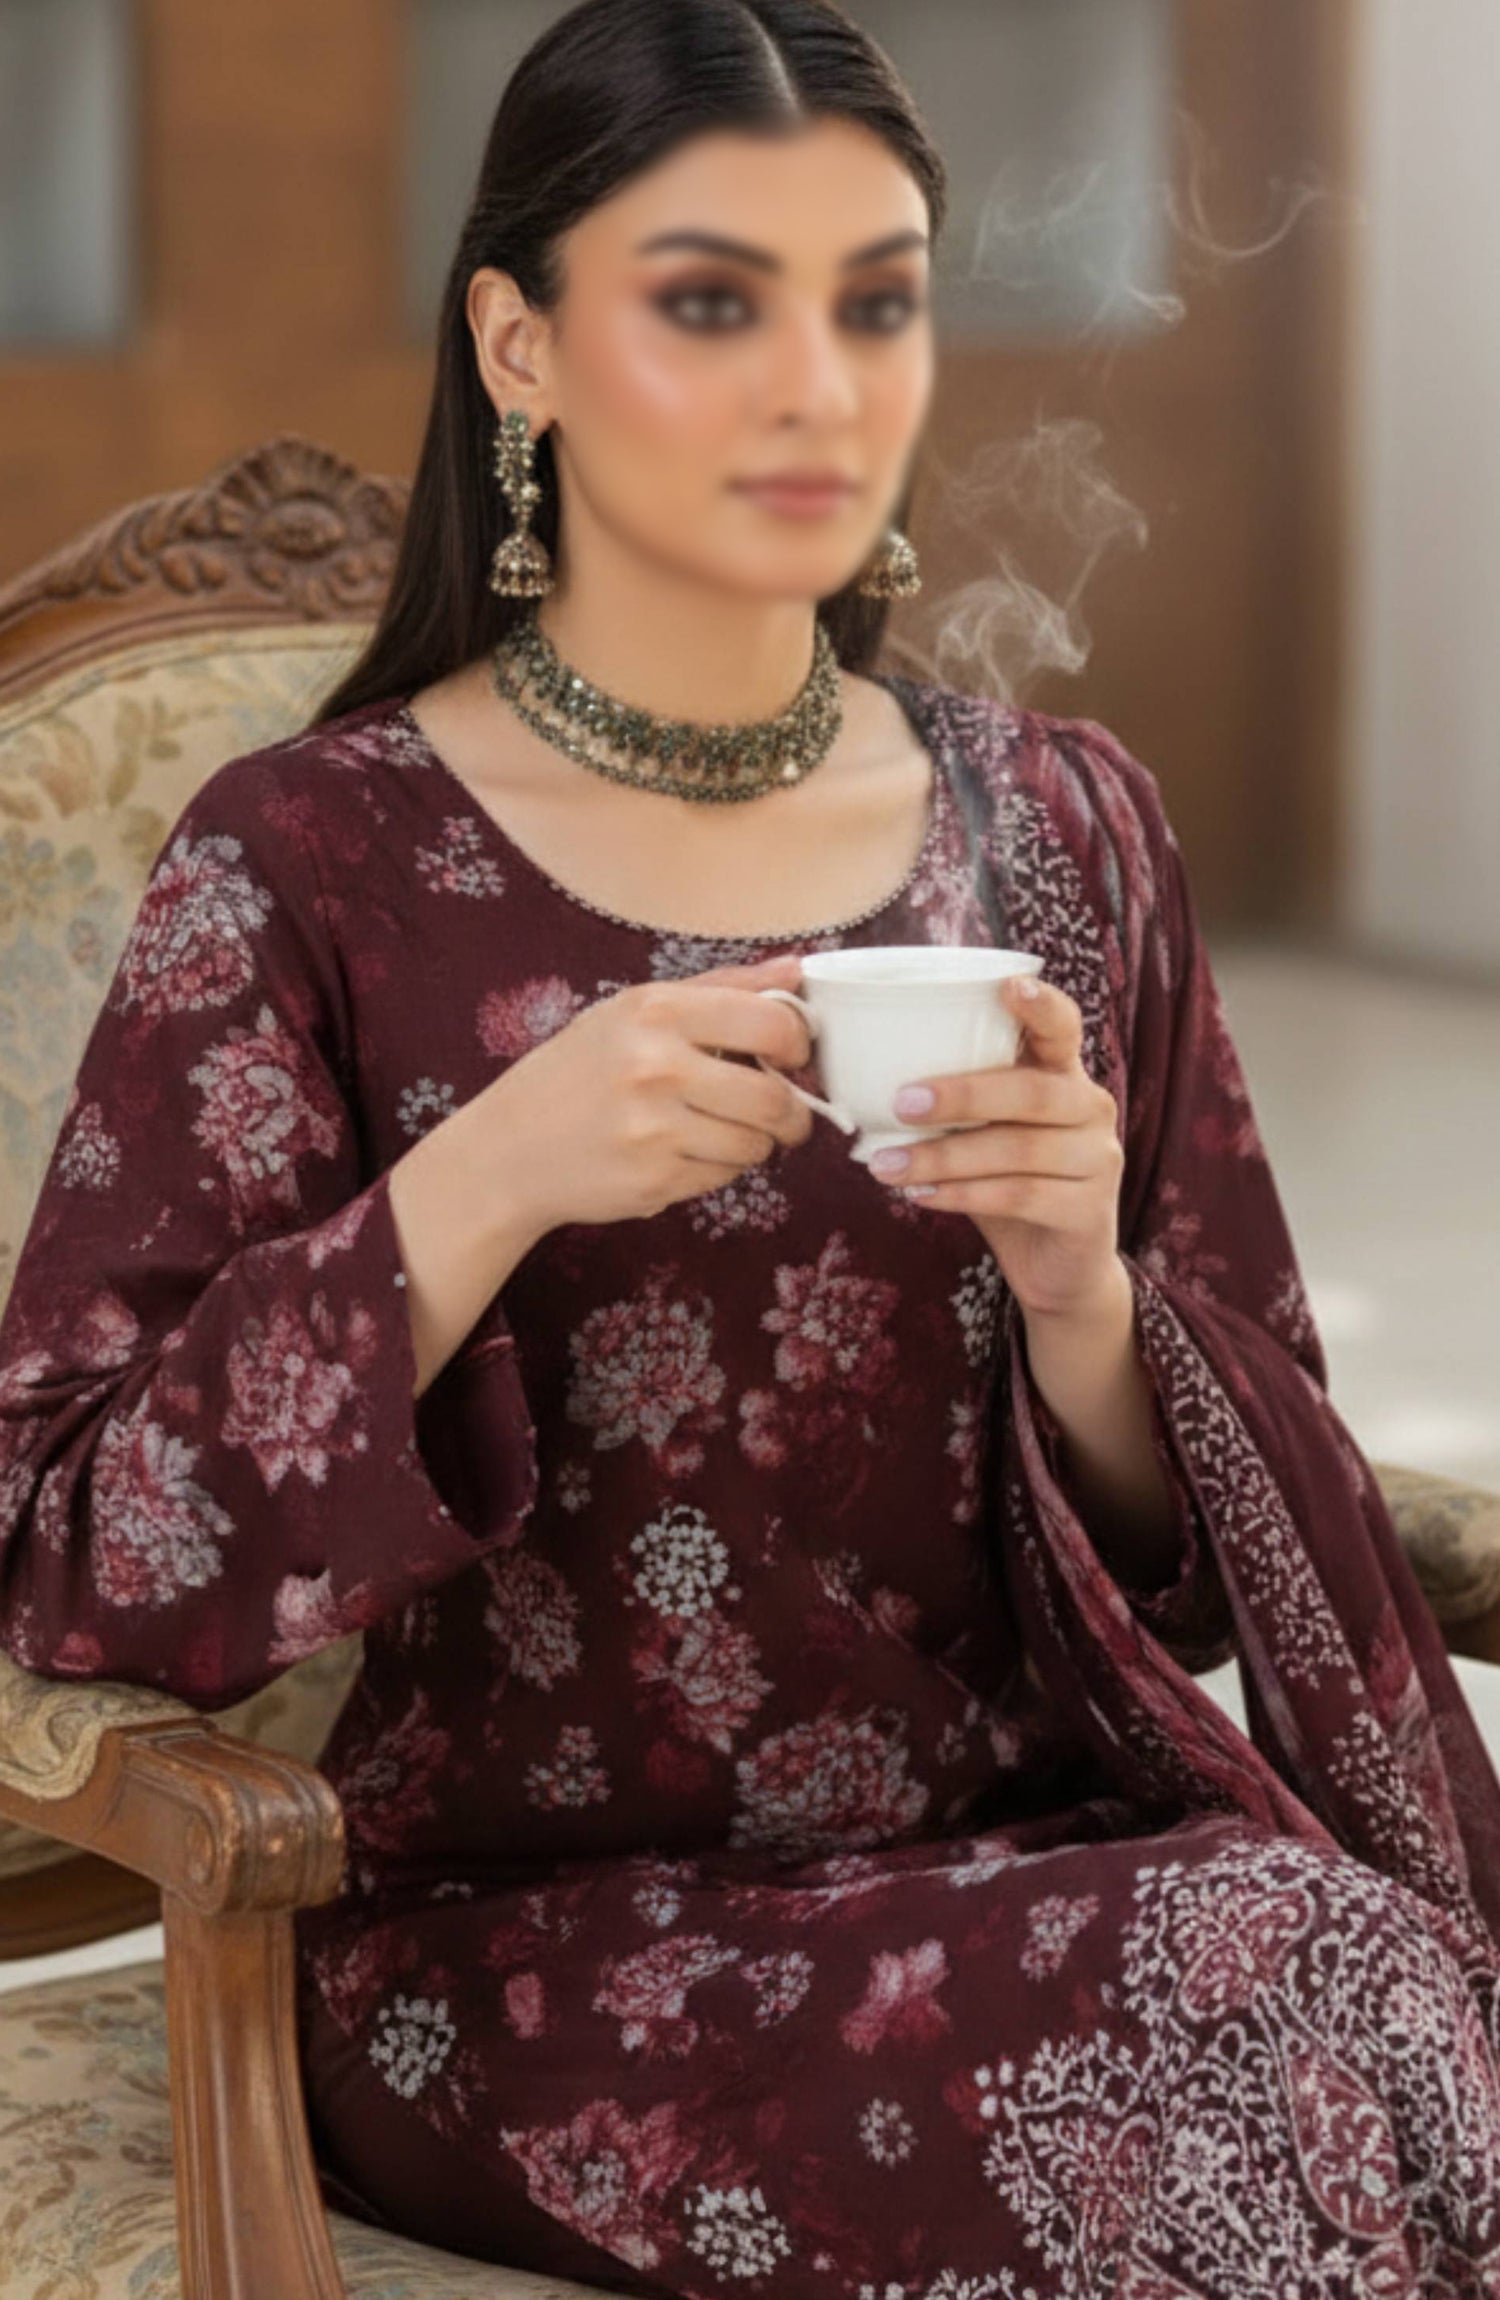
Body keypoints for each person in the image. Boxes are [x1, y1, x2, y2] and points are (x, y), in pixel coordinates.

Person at [4, 1, 1500, 2290]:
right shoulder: (312, 858)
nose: (821, 383)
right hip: (530, 1953)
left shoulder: (1065, 825)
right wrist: (486, 1177)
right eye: (714, 301)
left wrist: (1087, 1300)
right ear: (518, 343)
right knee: (1308, 2000)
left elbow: (1222, 1555)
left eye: (875, 301)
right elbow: (74, 1552)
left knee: (1348, 1982)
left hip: (1053, 1865)